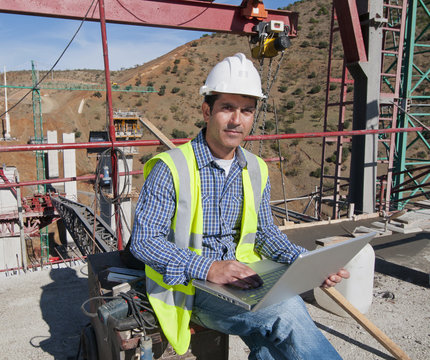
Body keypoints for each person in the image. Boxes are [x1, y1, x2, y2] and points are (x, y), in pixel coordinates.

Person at [130, 53, 348, 359]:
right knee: (285, 309)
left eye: (247, 110)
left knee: (273, 339)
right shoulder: (171, 167)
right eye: (227, 108)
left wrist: (306, 261)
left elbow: (265, 233)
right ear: (207, 110)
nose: (237, 120)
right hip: (192, 288)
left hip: (246, 278)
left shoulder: (256, 168)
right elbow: (145, 241)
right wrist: (209, 268)